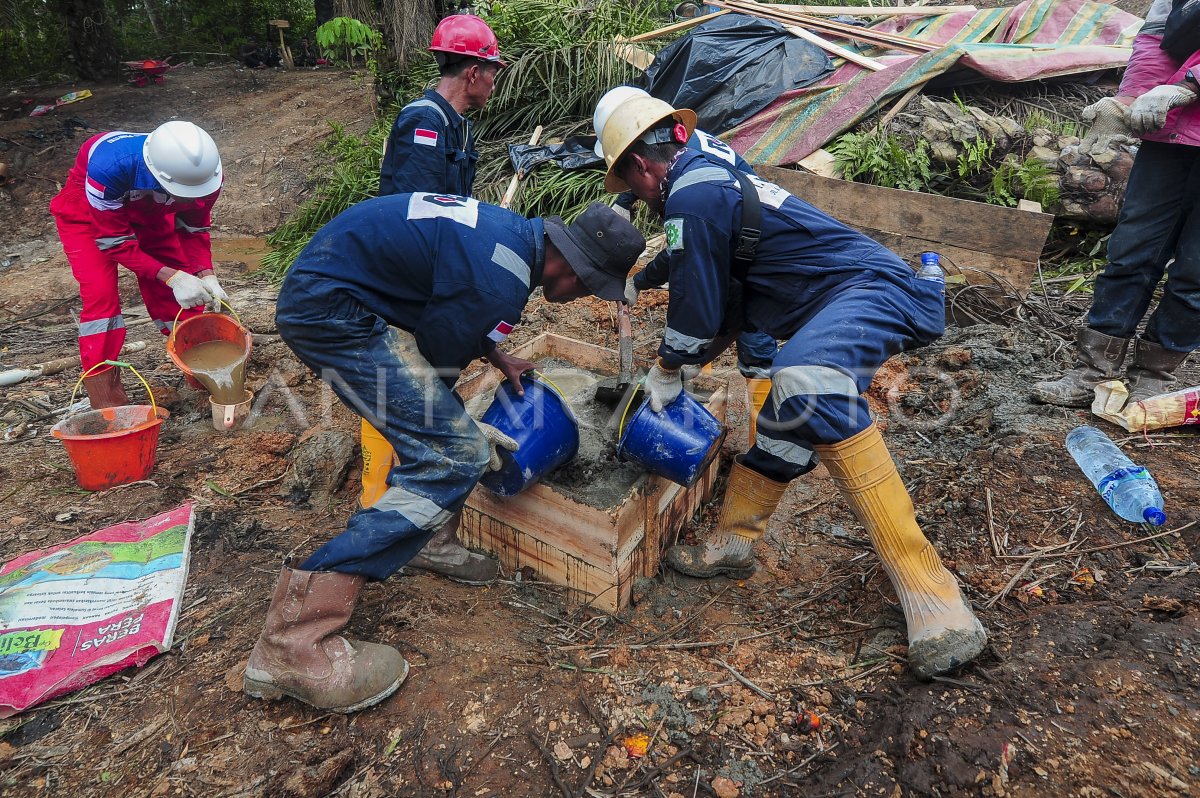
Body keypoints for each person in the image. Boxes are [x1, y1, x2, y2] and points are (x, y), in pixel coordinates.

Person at [598, 96, 986, 680]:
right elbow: (695, 255)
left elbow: (699, 305)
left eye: (634, 185)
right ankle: (735, 541)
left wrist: (669, 366)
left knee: (805, 383)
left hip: (865, 288)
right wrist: (642, 283)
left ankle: (932, 593)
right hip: (829, 300)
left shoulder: (691, 194)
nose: (644, 199)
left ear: (640, 167)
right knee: (786, 422)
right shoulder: (707, 164)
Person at [243, 197, 645, 712]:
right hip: (335, 315)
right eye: (590, 286)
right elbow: (441, 367)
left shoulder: (512, 240)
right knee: (455, 456)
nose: (584, 295)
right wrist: (463, 431)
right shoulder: (498, 284)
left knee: (442, 443)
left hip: (340, 292)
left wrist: (496, 355)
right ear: (569, 266)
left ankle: (428, 541)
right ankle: (292, 641)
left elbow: (448, 306)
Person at [367, 13, 504, 581]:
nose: (495, 81)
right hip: (413, 283)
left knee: (430, 391)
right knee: (428, 395)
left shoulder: (454, 123)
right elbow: (421, 216)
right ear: (471, 71)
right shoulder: (425, 123)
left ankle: (406, 507)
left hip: (433, 277)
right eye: (491, 71)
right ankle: (412, 524)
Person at [1032, 0, 1198, 406]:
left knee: (1197, 273)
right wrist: (1129, 99)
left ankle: (1155, 376)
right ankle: (1091, 372)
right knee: (1131, 253)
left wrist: (1190, 85)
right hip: (1171, 140)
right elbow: (1158, 38)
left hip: (1186, 100)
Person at [593, 85, 778, 420]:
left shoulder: (690, 190)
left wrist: (672, 360)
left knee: (752, 340)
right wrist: (641, 281)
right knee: (718, 316)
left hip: (752, 254)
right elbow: (683, 248)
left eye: (627, 177)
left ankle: (760, 426)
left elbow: (691, 276)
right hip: (741, 242)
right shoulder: (675, 146)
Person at [49, 121, 228, 409]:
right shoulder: (109, 166)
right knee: (101, 298)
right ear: (159, 176)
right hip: (89, 218)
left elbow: (193, 229)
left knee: (185, 299)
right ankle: (107, 401)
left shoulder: (204, 177)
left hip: (152, 215)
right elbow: (115, 242)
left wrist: (206, 274)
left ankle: (203, 374)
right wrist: (172, 277)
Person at [378, 14, 503, 197]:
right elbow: (419, 210)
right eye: (493, 75)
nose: (493, 87)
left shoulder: (458, 126)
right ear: (474, 74)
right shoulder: (424, 120)